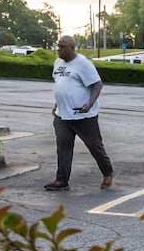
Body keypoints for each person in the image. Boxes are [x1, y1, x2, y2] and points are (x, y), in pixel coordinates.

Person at [44, 35, 114, 191]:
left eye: (62, 47)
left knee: (94, 146)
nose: (59, 49)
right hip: (62, 115)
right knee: (63, 147)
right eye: (58, 46)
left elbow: (97, 85)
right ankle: (62, 180)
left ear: (72, 47)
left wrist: (89, 104)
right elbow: (62, 85)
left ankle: (107, 172)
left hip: (83, 115)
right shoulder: (57, 63)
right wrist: (57, 104)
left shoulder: (83, 63)